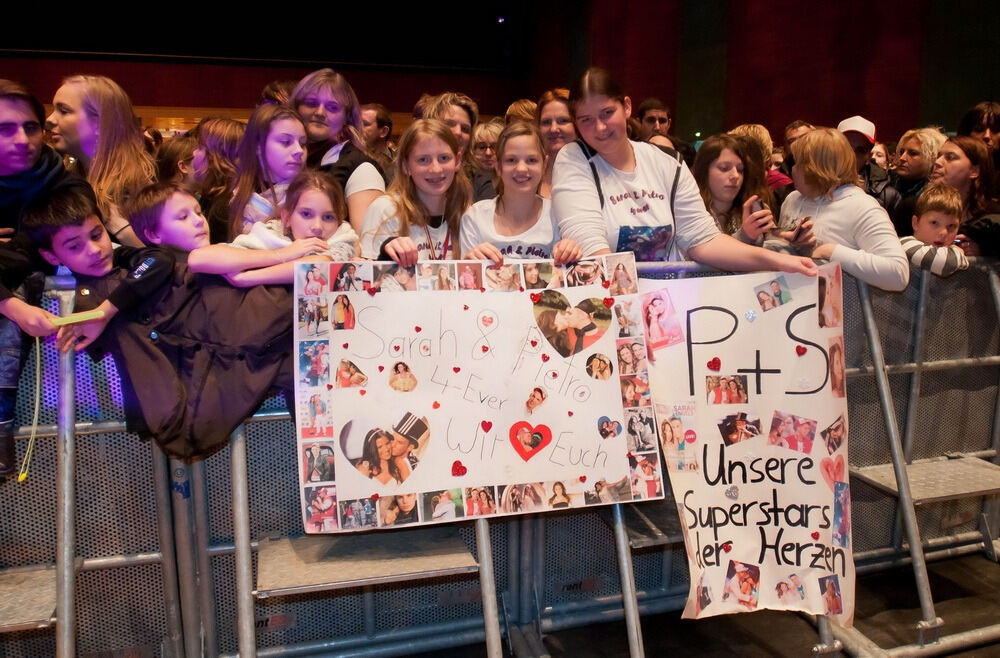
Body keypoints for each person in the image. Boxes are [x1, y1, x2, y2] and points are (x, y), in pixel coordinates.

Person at [22, 180, 297, 458]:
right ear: (50, 254)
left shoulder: (130, 259)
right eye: (74, 246)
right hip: (213, 376)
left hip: (258, 330)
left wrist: (105, 311)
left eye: (97, 234)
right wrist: (17, 310)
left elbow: (159, 260)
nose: (94, 249)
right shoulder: (82, 286)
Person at [552, 68, 816, 280]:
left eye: (607, 113)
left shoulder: (666, 162)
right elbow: (589, 243)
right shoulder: (573, 159)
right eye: (585, 119)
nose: (599, 127)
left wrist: (778, 260)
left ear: (627, 107)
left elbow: (703, 239)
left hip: (669, 305)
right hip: (615, 301)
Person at [0, 79, 67, 476]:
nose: (22, 138)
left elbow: (61, 242)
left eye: (30, 127)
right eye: (5, 129)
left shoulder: (60, 180)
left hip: (47, 364)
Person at [775, 128, 909, 291]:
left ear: (815, 169)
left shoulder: (862, 207)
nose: (792, 170)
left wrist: (830, 251)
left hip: (843, 313)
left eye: (798, 163)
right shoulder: (793, 199)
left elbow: (897, 274)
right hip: (793, 304)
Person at [180, 171, 355, 285]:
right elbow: (198, 259)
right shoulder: (270, 233)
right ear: (287, 217)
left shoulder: (341, 238)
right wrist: (282, 255)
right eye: (306, 214)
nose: (317, 227)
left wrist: (249, 278)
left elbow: (319, 266)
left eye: (328, 217)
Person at [46, 75, 155, 247]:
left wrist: (121, 228)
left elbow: (159, 261)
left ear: (99, 122)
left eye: (64, 111)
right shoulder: (63, 178)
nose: (50, 120)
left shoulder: (136, 191)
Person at [461, 121, 581, 264]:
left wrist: (571, 251)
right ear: (498, 166)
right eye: (511, 160)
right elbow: (466, 278)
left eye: (531, 160)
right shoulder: (475, 217)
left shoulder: (559, 216)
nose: (522, 169)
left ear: (544, 164)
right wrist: (468, 263)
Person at [360, 119, 471, 264]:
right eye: (423, 160)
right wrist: (385, 255)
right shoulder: (385, 210)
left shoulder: (467, 213)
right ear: (406, 166)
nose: (436, 169)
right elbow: (368, 278)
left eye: (444, 158)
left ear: (457, 161)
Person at [290, 69, 386, 230]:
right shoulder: (288, 159)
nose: (320, 112)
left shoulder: (361, 167)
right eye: (311, 103)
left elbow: (370, 245)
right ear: (296, 108)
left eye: (332, 107)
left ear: (346, 117)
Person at [227, 105, 307, 238]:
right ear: (258, 145)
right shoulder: (229, 203)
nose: (299, 150)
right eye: (286, 142)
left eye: (303, 143)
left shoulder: (316, 195)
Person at [692, 134, 775, 242]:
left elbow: (772, 252)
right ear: (704, 172)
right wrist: (744, 236)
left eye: (740, 170)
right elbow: (701, 253)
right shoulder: (691, 212)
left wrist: (779, 237)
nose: (735, 176)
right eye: (724, 168)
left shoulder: (753, 209)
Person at [189, 117, 244, 243]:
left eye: (200, 147)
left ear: (217, 158)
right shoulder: (212, 197)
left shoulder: (223, 208)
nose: (194, 153)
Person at [888, 127, 948, 235]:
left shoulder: (936, 196)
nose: (902, 158)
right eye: (901, 152)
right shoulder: (886, 185)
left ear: (932, 157)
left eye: (913, 153)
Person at [900, 183, 969, 277]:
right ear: (915, 223)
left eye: (951, 226)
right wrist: (957, 252)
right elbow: (948, 263)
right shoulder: (905, 245)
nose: (943, 233)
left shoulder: (948, 250)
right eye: (934, 223)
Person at [837, 115, 900, 215]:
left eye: (860, 151)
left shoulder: (887, 195)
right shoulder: (812, 183)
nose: (851, 155)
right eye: (846, 147)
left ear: (868, 157)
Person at [536, 89, 577, 198]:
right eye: (546, 122)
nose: (553, 129)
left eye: (563, 120)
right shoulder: (530, 173)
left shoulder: (595, 171)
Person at [360, 102, 395, 177]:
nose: (356, 128)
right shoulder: (347, 157)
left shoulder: (399, 164)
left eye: (365, 124)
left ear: (384, 131)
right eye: (356, 123)